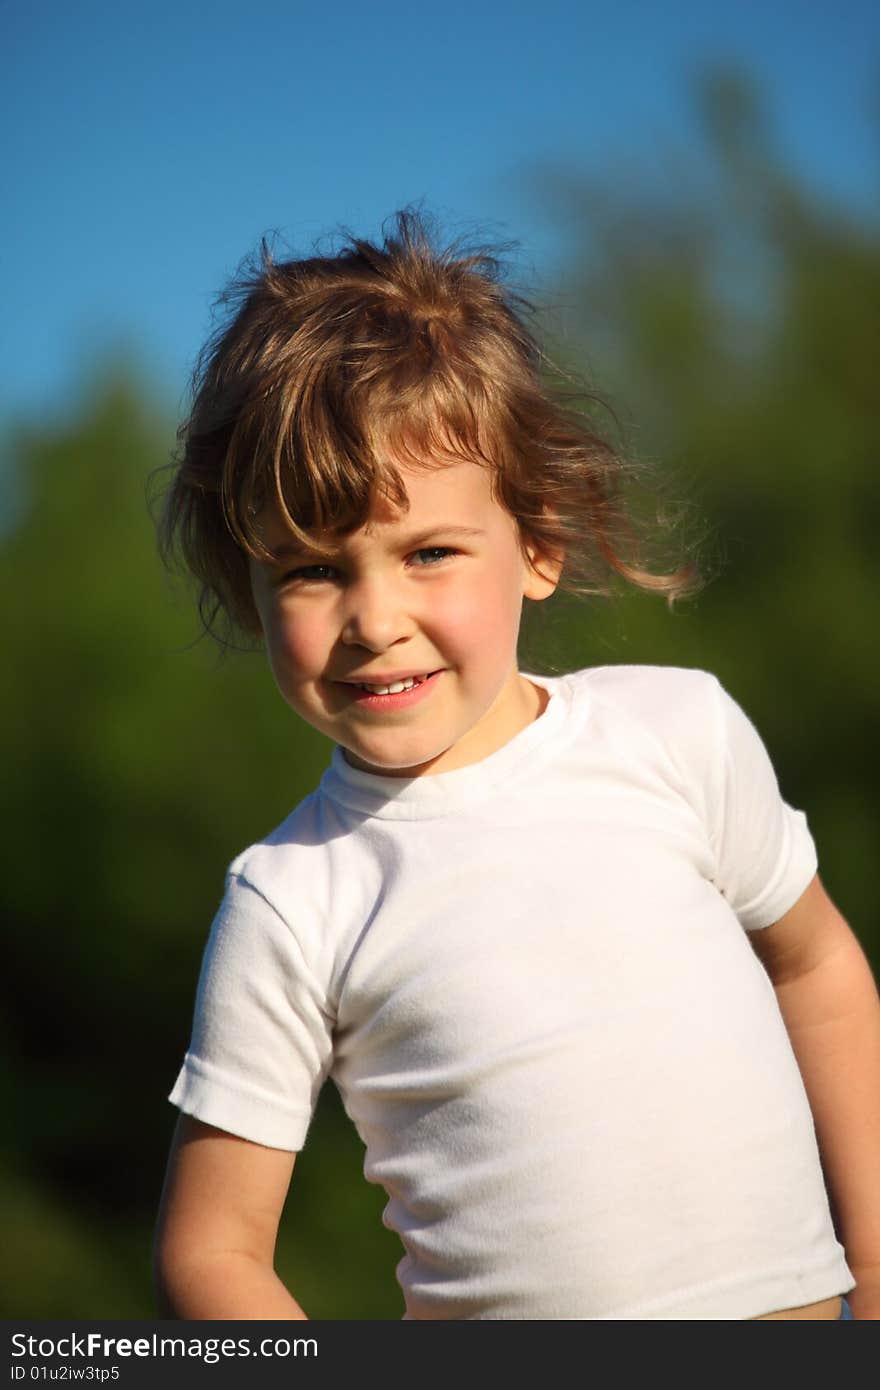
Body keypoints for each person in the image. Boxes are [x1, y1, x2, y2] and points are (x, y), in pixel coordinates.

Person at [153, 210, 880, 1320]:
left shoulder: (675, 733)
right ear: (247, 596)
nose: (373, 618)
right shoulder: (294, 896)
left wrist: (872, 1266)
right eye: (309, 571)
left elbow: (814, 969)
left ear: (537, 543)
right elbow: (214, 1253)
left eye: (429, 552)